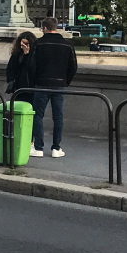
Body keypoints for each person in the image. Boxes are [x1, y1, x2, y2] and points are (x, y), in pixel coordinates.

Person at [30, 17, 76, 158]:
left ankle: (38, 147)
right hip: (59, 84)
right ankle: (56, 148)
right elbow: (73, 67)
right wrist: (65, 81)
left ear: (44, 28)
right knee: (58, 117)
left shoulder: (38, 44)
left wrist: (35, 81)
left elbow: (32, 66)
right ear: (56, 27)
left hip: (41, 84)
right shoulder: (68, 45)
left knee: (38, 115)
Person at [5, 30, 36, 98]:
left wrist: (26, 55)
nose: (22, 45)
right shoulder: (17, 54)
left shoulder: (34, 54)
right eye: (21, 43)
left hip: (31, 87)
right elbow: (11, 68)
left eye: (25, 43)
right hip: (18, 87)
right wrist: (11, 80)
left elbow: (31, 67)